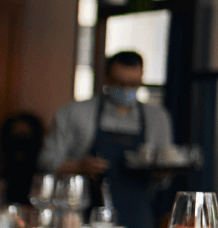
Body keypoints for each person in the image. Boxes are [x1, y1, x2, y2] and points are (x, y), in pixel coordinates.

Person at [41, 51, 173, 228]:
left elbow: (164, 179)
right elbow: (46, 162)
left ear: (141, 80)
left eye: (133, 84)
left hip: (138, 215)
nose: (126, 89)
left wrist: (160, 172)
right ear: (107, 79)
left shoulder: (157, 118)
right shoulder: (76, 113)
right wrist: (79, 166)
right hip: (84, 215)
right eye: (120, 83)